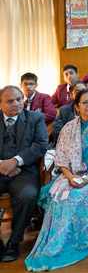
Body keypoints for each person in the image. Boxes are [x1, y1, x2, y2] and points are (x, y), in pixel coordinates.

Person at [25, 89, 88, 271]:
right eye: (85, 102)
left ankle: (78, 245)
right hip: (70, 175)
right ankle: (54, 245)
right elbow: (60, 159)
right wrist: (69, 176)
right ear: (76, 107)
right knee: (60, 199)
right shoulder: (68, 128)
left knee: (78, 197)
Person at [0, 86, 49, 262]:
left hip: (24, 171)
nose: (17, 104)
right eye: (10, 101)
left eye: (19, 99)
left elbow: (41, 145)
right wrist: (3, 165)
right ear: (0, 104)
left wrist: (16, 161)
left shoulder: (35, 118)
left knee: (28, 195)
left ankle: (14, 242)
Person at [50, 81, 88, 148]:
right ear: (71, 94)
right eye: (77, 92)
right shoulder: (64, 110)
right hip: (66, 145)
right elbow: (56, 130)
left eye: (84, 91)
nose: (81, 94)